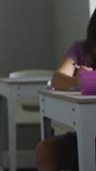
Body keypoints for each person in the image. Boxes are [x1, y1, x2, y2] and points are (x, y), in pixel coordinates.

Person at [35, 9, 96, 170]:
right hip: (88, 134)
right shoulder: (82, 49)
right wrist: (76, 80)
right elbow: (57, 78)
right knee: (46, 149)